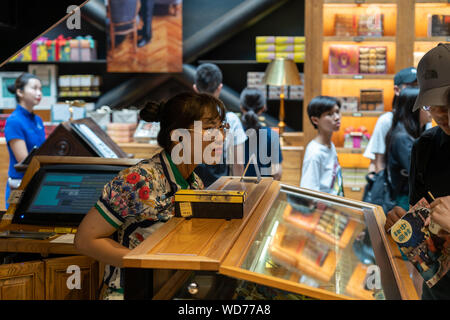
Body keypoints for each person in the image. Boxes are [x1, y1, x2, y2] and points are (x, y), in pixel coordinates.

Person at [74, 92, 227, 299]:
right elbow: (86, 240)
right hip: (130, 292)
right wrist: (150, 264)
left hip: (167, 290)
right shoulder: (140, 179)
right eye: (210, 128)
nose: (221, 137)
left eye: (221, 127)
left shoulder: (194, 181)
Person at [385, 43, 450, 300]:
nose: (439, 115)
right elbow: (421, 223)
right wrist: (404, 225)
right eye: (431, 106)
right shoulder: (425, 146)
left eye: (445, 105)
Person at [192, 63, 247, 187]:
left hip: (191, 191)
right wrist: (237, 190)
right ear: (219, 88)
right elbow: (238, 163)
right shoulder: (231, 120)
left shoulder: (183, 117)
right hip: (220, 189)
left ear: (195, 88)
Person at [363, 67, 419, 173]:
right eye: (411, 86)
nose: (416, 91)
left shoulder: (424, 117)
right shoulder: (386, 120)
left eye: (419, 87)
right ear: (397, 90)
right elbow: (378, 162)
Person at [384, 87, 431, 211]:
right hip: (404, 199)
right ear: (413, 109)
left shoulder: (409, 133)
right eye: (425, 106)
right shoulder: (402, 138)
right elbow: (419, 171)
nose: (430, 110)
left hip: (408, 197)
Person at [4, 73, 46, 208]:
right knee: (14, 225)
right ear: (20, 92)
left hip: (38, 182)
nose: (39, 93)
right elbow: (24, 160)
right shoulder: (14, 121)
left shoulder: (38, 120)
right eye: (34, 88)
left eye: (40, 89)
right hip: (18, 186)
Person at [300, 96, 344, 196]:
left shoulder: (329, 145)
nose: (337, 117)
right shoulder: (315, 153)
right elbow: (309, 193)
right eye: (329, 114)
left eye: (337, 112)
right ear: (315, 120)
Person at [239, 87, 282, 180]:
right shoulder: (272, 135)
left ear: (241, 107)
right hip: (264, 191)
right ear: (263, 108)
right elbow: (277, 173)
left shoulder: (234, 134)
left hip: (239, 192)